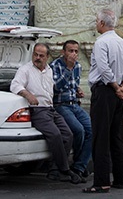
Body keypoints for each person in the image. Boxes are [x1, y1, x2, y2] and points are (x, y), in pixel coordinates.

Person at [9, 42, 80, 183]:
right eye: (35, 55)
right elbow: (15, 85)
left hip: (50, 108)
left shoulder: (49, 70)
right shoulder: (25, 70)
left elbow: (52, 88)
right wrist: (28, 95)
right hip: (37, 110)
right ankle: (64, 169)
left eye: (41, 56)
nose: (38, 58)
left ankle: (55, 170)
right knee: (55, 134)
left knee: (68, 134)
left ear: (47, 57)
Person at [85, 8, 123, 193]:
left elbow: (103, 69)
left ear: (102, 23)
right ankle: (120, 179)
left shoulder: (101, 42)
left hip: (105, 91)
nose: (95, 24)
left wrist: (115, 87)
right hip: (118, 92)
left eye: (96, 21)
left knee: (101, 137)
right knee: (117, 136)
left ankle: (102, 181)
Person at [51, 39, 92, 182]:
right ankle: (77, 164)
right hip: (61, 105)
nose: (74, 54)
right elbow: (56, 87)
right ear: (64, 52)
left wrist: (78, 90)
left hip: (74, 104)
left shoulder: (78, 66)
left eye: (76, 51)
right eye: (70, 51)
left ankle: (79, 166)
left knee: (92, 130)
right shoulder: (55, 65)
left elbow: (73, 85)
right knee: (78, 130)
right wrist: (68, 69)